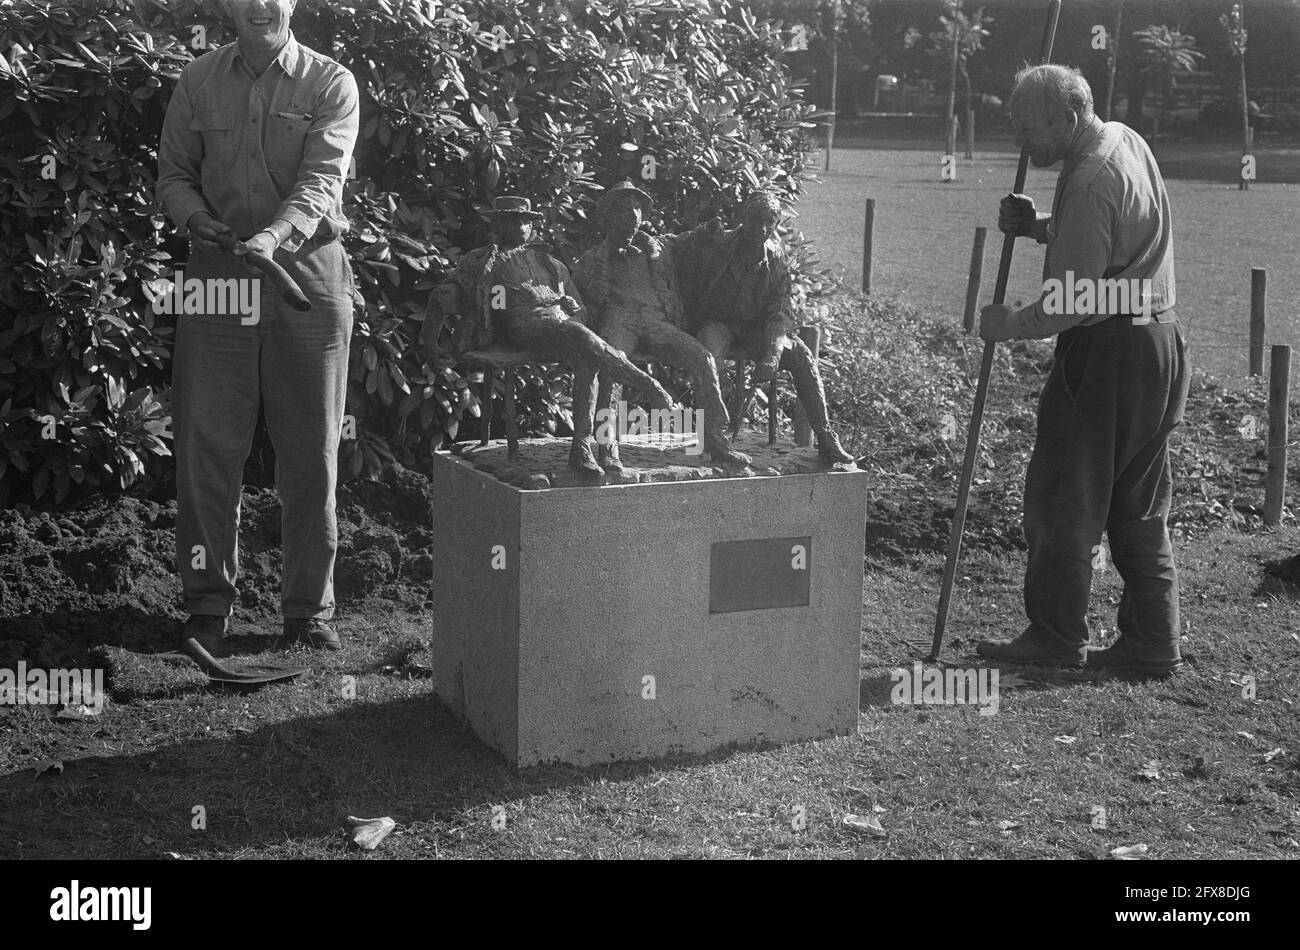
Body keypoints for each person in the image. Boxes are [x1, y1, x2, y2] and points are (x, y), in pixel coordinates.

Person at [157, 0, 359, 653]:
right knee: (207, 447)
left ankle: (308, 613)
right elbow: (174, 178)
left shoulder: (331, 83)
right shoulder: (197, 81)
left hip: (307, 276)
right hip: (217, 277)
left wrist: (272, 237)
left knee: (310, 451)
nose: (259, 5)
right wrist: (196, 221)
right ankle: (207, 606)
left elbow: (322, 183)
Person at [976, 64, 1188, 676]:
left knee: (1065, 495)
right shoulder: (1123, 139)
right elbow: (1113, 250)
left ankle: (1056, 635)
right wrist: (1041, 225)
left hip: (1107, 357)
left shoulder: (1090, 178)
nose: (1022, 143)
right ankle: (1153, 640)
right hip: (1158, 342)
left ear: (1068, 118)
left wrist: (1006, 324)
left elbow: (1073, 302)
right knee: (1137, 501)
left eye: (1029, 129)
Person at [431, 195, 673, 471]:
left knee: (587, 358)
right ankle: (648, 384)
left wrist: (571, 307)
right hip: (524, 327)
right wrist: (433, 345)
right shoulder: (482, 261)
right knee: (580, 337)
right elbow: (449, 295)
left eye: (525, 220)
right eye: (513, 220)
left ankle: (581, 449)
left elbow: (578, 305)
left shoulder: (549, 262)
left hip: (562, 327)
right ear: (498, 225)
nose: (521, 227)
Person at [571, 181, 750, 475]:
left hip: (657, 323)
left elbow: (686, 240)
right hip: (619, 320)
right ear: (609, 219)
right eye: (624, 216)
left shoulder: (657, 247)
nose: (631, 223)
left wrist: (708, 230)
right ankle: (607, 448)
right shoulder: (592, 259)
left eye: (636, 216)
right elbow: (579, 303)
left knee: (702, 358)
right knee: (611, 369)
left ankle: (716, 441)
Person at [677, 194, 854, 465]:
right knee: (707, 355)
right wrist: (699, 235)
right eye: (754, 220)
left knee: (801, 355)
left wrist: (773, 352)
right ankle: (712, 436)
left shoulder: (777, 260)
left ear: (775, 225)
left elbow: (780, 311)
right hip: (718, 323)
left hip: (756, 330)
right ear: (743, 217)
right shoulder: (719, 243)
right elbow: (681, 251)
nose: (759, 228)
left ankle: (826, 438)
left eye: (767, 222)